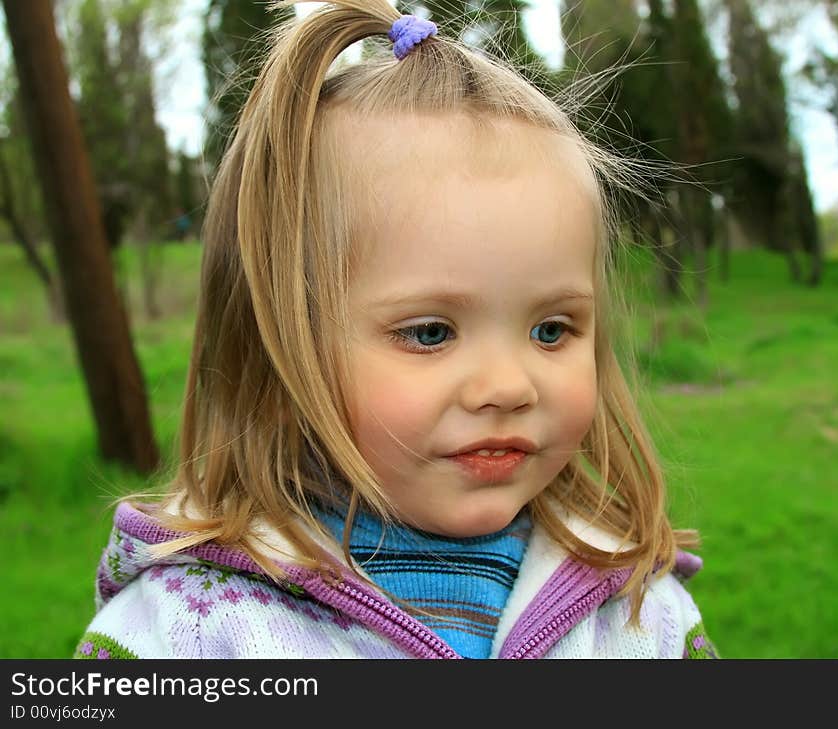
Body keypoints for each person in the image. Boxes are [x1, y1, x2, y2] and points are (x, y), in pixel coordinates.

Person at [74, 0, 718, 660]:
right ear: (277, 351)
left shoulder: (640, 610)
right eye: (431, 333)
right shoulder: (189, 628)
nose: (508, 386)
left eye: (552, 330)